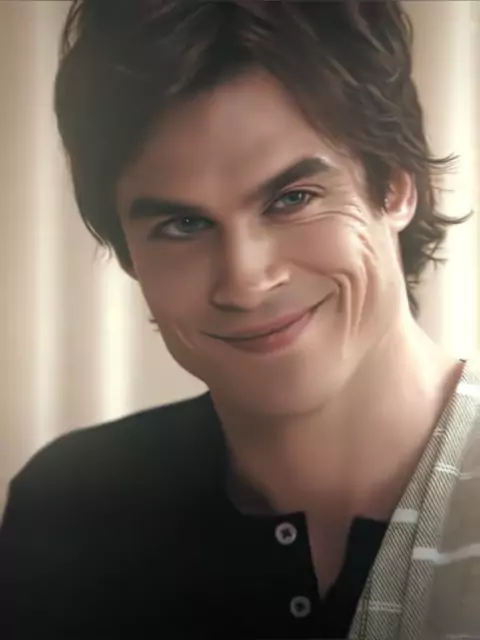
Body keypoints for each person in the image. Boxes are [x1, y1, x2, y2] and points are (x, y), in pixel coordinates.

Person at [0, 0, 478, 638]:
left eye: (292, 199)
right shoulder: (68, 511)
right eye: (184, 224)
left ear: (395, 186)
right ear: (130, 255)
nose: (245, 283)